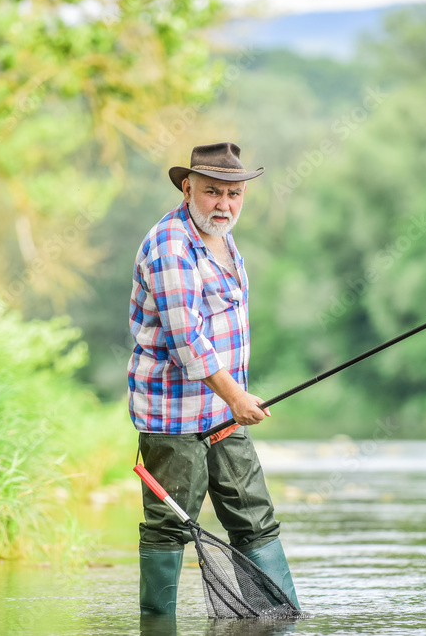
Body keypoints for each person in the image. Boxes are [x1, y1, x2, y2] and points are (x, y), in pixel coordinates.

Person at [127, 142, 299, 617]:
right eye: (212, 192)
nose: (224, 204)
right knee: (168, 527)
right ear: (188, 188)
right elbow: (188, 341)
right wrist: (239, 397)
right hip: (173, 417)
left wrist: (234, 402)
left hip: (223, 411)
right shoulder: (171, 245)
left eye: (234, 193)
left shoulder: (222, 239)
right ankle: (157, 625)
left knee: (255, 518)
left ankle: (279, 621)